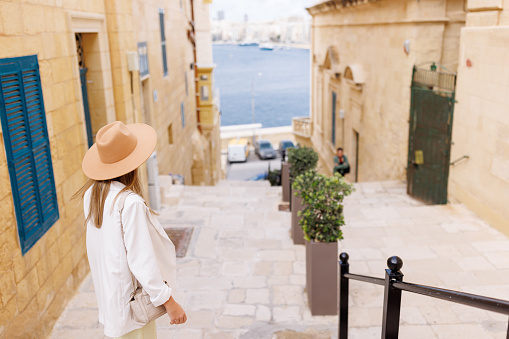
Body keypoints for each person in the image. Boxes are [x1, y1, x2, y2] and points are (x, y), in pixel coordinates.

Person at [73, 121, 186, 339]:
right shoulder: (129, 203)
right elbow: (141, 261)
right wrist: (169, 302)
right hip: (132, 309)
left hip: (111, 304)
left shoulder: (92, 195)